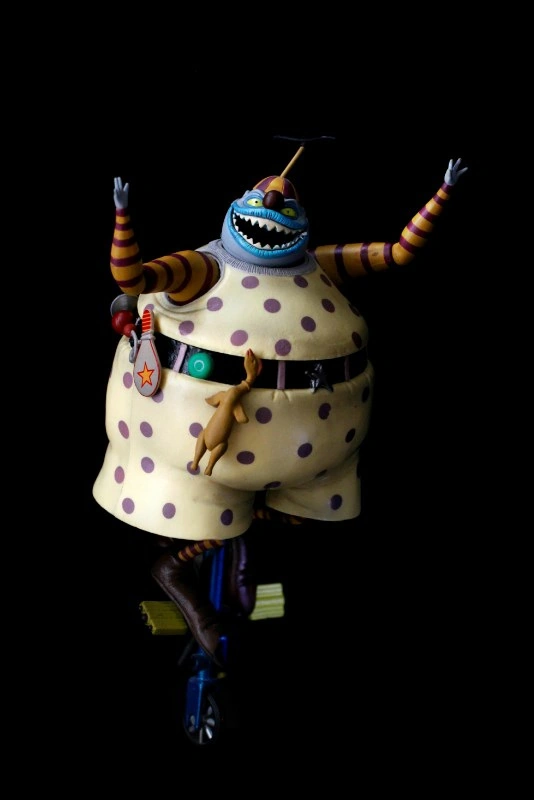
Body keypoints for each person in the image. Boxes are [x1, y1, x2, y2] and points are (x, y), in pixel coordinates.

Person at [93, 153, 467, 664]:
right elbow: (132, 278)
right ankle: (183, 568)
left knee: (288, 516)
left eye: (286, 203)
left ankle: (222, 557)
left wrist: (442, 193)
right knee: (205, 513)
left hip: (320, 453)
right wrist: (122, 217)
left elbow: (397, 253)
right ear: (237, 207)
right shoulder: (201, 270)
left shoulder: (322, 267)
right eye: (262, 197)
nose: (273, 199)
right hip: (182, 444)